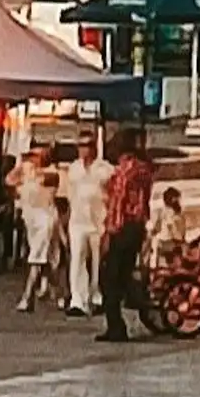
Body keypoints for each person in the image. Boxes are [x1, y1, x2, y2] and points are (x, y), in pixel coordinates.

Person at [98, 127, 154, 343]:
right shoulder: (143, 169)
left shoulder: (127, 170)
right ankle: (136, 301)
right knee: (122, 273)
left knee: (110, 277)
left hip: (124, 228)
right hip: (136, 227)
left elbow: (117, 205)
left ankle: (117, 325)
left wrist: (110, 232)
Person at [62, 132, 113, 316]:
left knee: (97, 262)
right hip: (78, 220)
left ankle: (96, 297)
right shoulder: (73, 169)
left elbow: (112, 195)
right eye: (81, 146)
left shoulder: (105, 169)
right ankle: (78, 300)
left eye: (88, 145)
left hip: (98, 220)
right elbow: (69, 196)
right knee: (77, 259)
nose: (84, 150)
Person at [14, 150, 61, 314]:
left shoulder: (51, 173)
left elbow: (51, 180)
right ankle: (59, 292)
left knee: (36, 258)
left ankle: (27, 297)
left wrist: (33, 173)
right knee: (46, 259)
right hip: (31, 221)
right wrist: (21, 167)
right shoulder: (26, 173)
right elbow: (9, 180)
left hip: (44, 220)